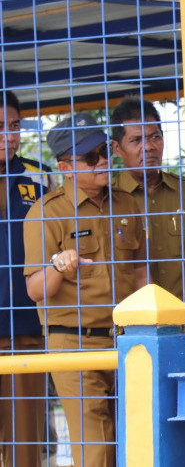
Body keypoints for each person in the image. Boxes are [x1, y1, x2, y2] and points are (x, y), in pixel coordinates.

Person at [24, 113, 147, 467]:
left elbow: (140, 272)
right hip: (73, 343)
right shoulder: (46, 213)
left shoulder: (126, 204)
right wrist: (57, 266)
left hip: (126, 339)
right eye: (91, 157)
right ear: (65, 166)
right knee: (96, 450)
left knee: (138, 441)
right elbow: (35, 289)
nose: (104, 161)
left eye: (105, 150)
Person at [0, 91, 54, 467]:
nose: (9, 135)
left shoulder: (39, 177)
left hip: (25, 327)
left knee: (25, 442)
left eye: (15, 126)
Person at [111, 97, 185, 301]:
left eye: (155, 137)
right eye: (136, 140)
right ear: (117, 149)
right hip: (133, 324)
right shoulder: (108, 199)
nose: (148, 147)